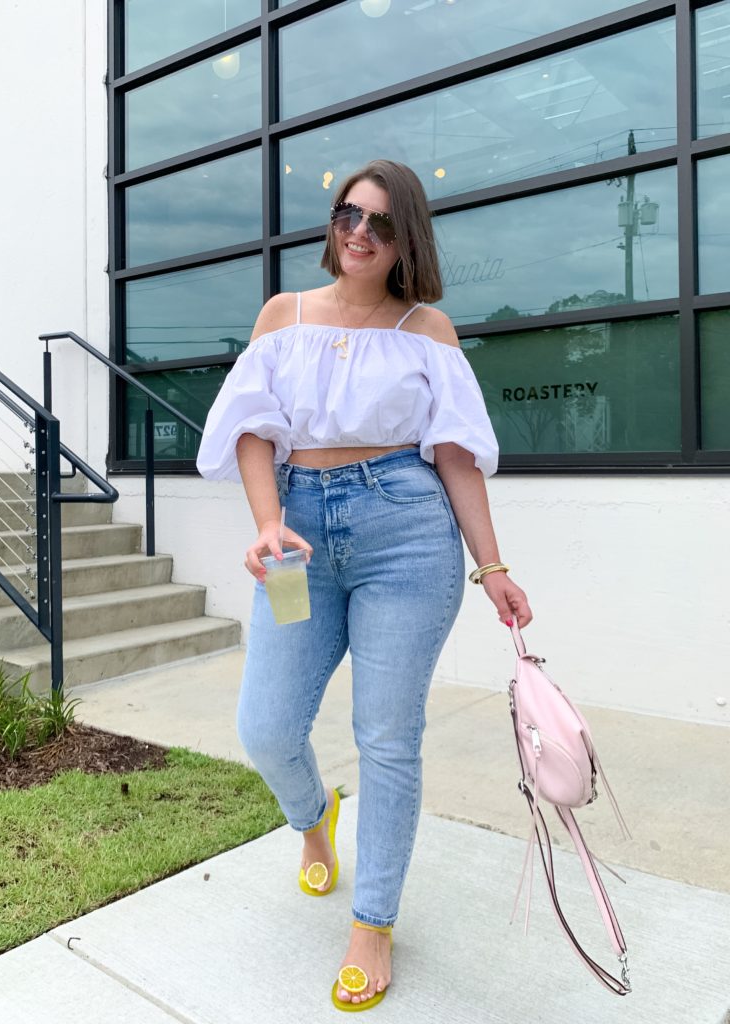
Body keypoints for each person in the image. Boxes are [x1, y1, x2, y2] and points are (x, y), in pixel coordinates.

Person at [197, 159, 532, 1011]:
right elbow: (251, 428)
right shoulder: (285, 314)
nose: (359, 233)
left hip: (407, 536)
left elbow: (454, 454)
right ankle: (315, 820)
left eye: (381, 223)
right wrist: (268, 520)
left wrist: (491, 566)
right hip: (298, 538)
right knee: (267, 725)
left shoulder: (429, 330)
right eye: (350, 213)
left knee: (387, 735)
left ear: (404, 238)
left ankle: (373, 920)